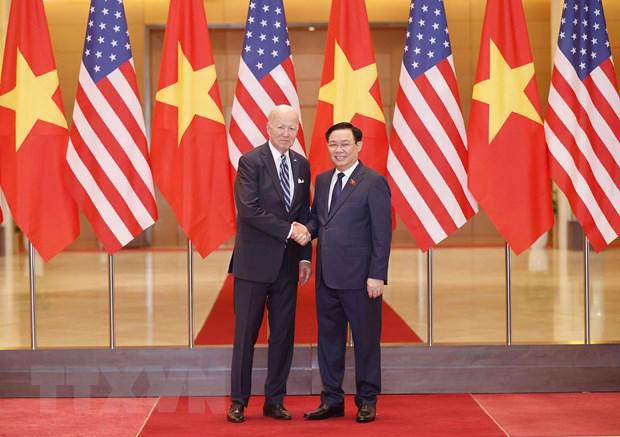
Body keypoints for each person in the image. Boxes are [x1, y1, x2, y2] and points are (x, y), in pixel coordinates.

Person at [227, 105, 312, 423]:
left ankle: (274, 400)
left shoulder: (301, 164)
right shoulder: (251, 162)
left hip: (288, 266)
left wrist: (304, 256)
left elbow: (304, 212)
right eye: (281, 127)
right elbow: (249, 210)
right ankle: (238, 400)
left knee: (283, 335)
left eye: (292, 128)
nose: (287, 134)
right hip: (253, 265)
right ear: (267, 128)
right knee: (245, 334)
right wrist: (290, 230)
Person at [304, 122, 391, 423]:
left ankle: (367, 400)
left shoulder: (373, 182)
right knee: (329, 340)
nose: (338, 150)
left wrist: (377, 274)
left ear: (358, 146)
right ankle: (332, 399)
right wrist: (303, 231)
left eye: (344, 144)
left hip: (361, 279)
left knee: (366, 341)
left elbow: (382, 234)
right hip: (327, 277)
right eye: (333, 145)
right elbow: (318, 220)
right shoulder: (324, 179)